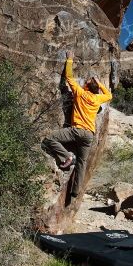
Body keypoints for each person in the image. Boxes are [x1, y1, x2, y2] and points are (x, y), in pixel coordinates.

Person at [42, 50, 113, 199]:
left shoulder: (80, 93)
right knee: (82, 162)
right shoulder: (97, 99)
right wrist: (99, 83)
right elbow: (109, 95)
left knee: (49, 139)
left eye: (86, 82)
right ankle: (75, 191)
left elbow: (68, 77)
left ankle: (66, 156)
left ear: (87, 87)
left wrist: (69, 59)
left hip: (76, 130)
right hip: (89, 135)